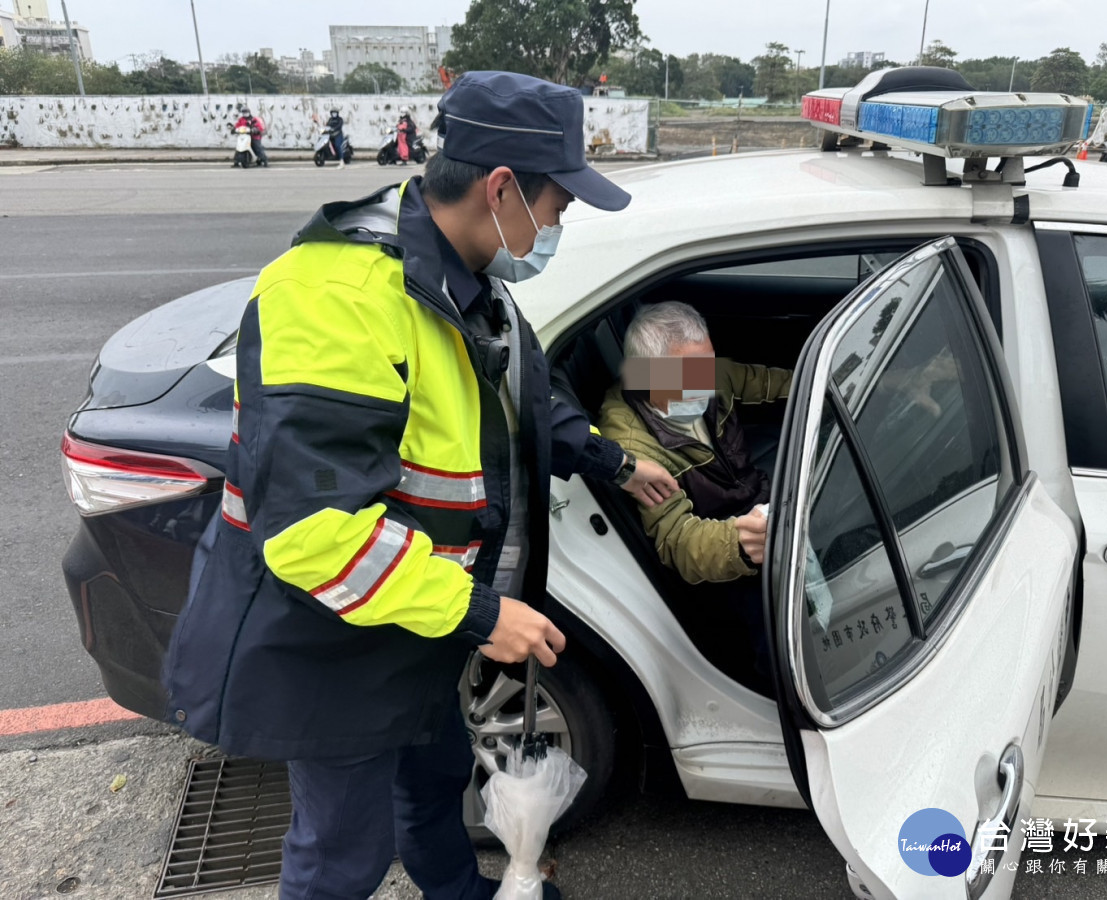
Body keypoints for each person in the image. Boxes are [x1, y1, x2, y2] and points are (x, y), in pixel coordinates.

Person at [164, 71, 678, 900]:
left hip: (413, 616)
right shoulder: (336, 296)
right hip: (326, 635)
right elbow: (314, 532)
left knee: (434, 781)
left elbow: (516, 397)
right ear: (502, 188)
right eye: (559, 206)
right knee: (340, 855)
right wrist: (483, 614)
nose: (557, 226)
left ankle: (459, 892)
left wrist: (616, 461)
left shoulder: (468, 279)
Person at [598, 301, 792, 684]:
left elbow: (775, 383)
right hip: (721, 553)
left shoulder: (706, 376)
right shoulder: (633, 446)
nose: (706, 383)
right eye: (690, 376)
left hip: (761, 501)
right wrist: (738, 541)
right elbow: (676, 540)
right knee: (776, 630)